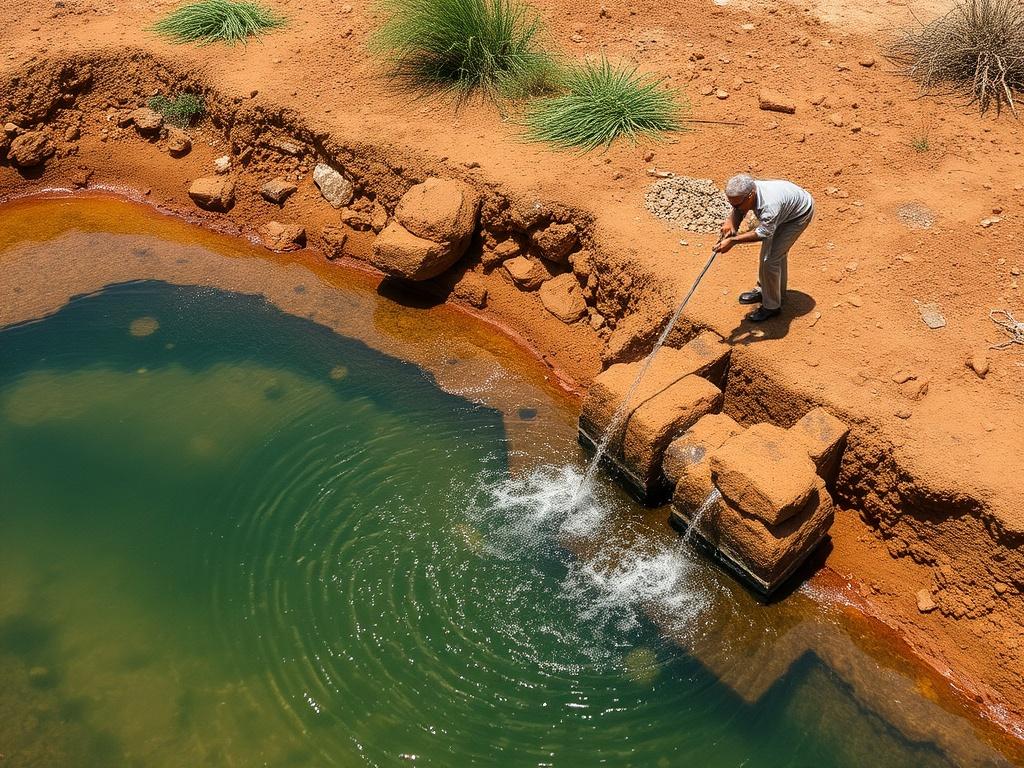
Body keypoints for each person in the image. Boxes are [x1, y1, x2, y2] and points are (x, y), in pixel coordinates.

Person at [713, 174, 815, 322]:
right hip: (786, 210)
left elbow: (764, 233)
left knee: (771, 259)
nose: (734, 208)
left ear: (750, 195)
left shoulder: (769, 205)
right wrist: (731, 222)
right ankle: (766, 291)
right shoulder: (748, 192)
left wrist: (733, 241)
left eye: (736, 205)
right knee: (769, 256)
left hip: (797, 217)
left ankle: (772, 306)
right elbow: (739, 209)